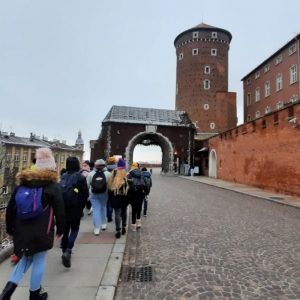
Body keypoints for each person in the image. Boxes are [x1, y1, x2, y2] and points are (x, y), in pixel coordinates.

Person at [1, 148, 65, 300]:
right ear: (51, 168)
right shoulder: (52, 186)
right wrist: (61, 229)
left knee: (25, 259)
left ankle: (6, 292)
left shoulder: (22, 184)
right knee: (39, 260)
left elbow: (11, 209)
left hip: (21, 229)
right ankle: (34, 294)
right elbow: (59, 210)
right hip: (43, 229)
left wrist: (10, 229)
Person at [60, 157, 89, 268]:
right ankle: (68, 250)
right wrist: (81, 206)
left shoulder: (63, 176)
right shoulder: (80, 177)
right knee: (75, 229)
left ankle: (63, 251)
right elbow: (85, 194)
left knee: (65, 230)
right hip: (75, 207)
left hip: (63, 207)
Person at [86, 159, 111, 235]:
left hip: (94, 194)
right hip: (104, 193)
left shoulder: (91, 174)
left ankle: (97, 229)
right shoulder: (108, 174)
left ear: (95, 165)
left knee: (96, 210)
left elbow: (87, 184)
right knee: (103, 208)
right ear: (104, 165)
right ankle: (104, 224)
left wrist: (88, 195)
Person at [107, 159, 129, 238]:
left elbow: (109, 185)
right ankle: (124, 227)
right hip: (124, 196)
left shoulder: (114, 173)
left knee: (117, 213)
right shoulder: (126, 173)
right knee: (124, 211)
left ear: (117, 166)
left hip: (115, 195)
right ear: (124, 166)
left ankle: (118, 230)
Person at [127, 162, 148, 231]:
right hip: (140, 193)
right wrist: (146, 193)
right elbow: (146, 185)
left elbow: (127, 186)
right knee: (139, 208)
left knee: (133, 210)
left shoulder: (129, 175)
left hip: (133, 193)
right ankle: (138, 222)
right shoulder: (141, 175)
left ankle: (133, 226)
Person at [106, 156, 117, 222]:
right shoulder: (116, 168)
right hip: (115, 186)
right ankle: (115, 214)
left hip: (108, 186)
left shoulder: (106, 167)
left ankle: (109, 215)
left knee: (108, 202)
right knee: (114, 201)